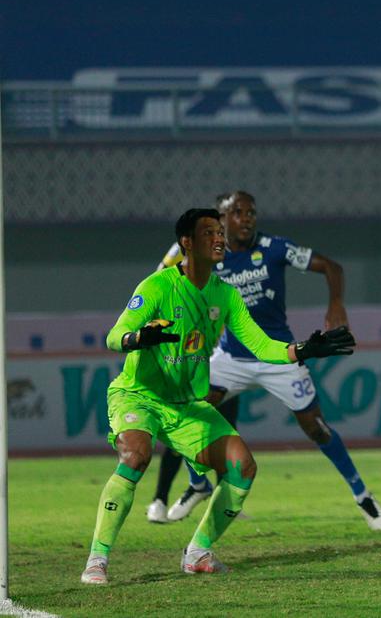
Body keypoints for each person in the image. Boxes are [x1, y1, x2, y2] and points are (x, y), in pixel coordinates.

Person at [81, 208, 356, 584]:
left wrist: (303, 349)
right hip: (139, 396)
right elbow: (115, 336)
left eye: (220, 232)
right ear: (187, 244)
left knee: (243, 467)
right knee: (135, 455)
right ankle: (98, 559)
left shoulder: (225, 294)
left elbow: (261, 345)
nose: (219, 238)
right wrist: (139, 338)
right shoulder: (157, 286)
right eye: (209, 232)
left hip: (187, 406)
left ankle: (197, 551)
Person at [153, 191, 381, 531]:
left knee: (315, 428)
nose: (246, 218)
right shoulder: (206, 252)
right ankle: (199, 483)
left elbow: (331, 267)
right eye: (237, 212)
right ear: (221, 219)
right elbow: (162, 279)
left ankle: (362, 494)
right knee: (182, 411)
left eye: (251, 212)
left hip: (279, 354)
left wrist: (336, 304)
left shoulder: (275, 247)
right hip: (232, 357)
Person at [146, 194, 241, 524]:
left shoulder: (238, 252)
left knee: (223, 428)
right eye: (223, 217)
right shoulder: (186, 250)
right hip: (191, 353)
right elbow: (162, 278)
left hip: (225, 355)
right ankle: (163, 495)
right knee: (182, 425)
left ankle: (218, 495)